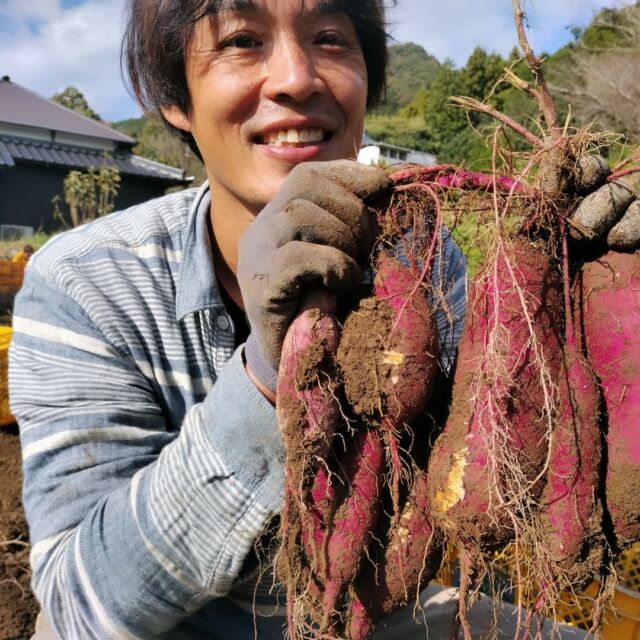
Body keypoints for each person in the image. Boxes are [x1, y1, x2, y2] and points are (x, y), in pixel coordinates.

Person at [8, 1, 635, 638]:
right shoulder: (87, 281)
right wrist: (265, 370)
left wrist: (585, 302)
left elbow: (486, 451)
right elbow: (76, 603)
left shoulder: (422, 258)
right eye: (243, 41)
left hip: (366, 618)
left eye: (331, 39)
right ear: (175, 98)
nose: (297, 78)